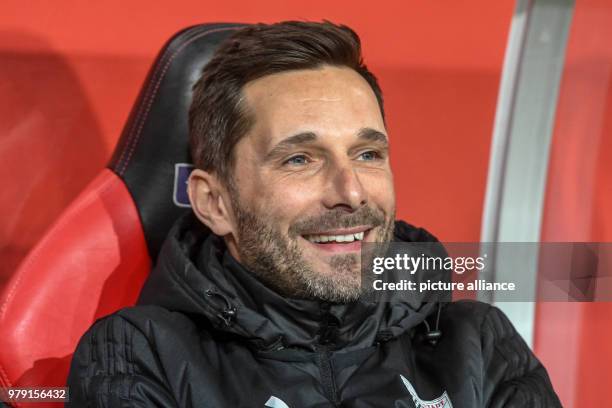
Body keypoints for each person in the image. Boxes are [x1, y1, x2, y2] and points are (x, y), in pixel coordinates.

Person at [67, 21, 561, 407]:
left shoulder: (477, 342)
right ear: (215, 204)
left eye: (368, 155)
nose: (350, 192)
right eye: (299, 159)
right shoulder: (138, 355)